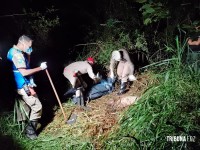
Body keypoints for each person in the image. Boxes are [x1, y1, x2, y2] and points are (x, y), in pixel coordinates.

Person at [7, 35, 47, 140]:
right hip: (23, 85)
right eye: (29, 46)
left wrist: (28, 55)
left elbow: (25, 65)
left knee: (34, 104)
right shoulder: (17, 55)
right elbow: (24, 72)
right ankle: (30, 132)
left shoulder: (13, 51)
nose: (30, 47)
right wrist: (40, 68)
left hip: (23, 83)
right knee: (37, 107)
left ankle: (32, 125)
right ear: (23, 43)